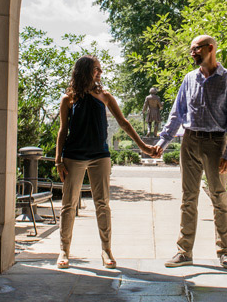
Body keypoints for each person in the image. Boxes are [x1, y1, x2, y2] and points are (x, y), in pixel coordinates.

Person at [55, 55, 153, 269]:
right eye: (96, 69)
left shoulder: (105, 96)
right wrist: (58, 160)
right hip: (74, 155)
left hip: (100, 155)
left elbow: (124, 123)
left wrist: (143, 147)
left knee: (102, 204)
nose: (99, 73)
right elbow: (62, 130)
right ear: (85, 70)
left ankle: (106, 250)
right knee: (68, 205)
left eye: (100, 69)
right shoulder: (68, 99)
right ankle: (64, 249)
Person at [152, 35, 227, 269]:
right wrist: (162, 143)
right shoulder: (189, 79)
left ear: (210, 49)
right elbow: (176, 114)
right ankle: (184, 252)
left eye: (195, 49)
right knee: (187, 198)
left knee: (219, 198)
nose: (192, 53)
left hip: (216, 144)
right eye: (191, 49)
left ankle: (225, 252)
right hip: (189, 141)